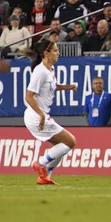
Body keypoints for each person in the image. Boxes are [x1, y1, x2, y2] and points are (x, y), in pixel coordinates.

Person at [23, 40, 77, 185]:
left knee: (62, 146)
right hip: (36, 116)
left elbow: (52, 87)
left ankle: (45, 176)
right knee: (71, 141)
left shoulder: (49, 70)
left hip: (40, 115)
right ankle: (40, 164)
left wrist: (68, 87)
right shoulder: (40, 71)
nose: (57, 53)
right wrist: (41, 115)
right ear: (46, 53)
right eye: (55, 50)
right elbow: (28, 96)